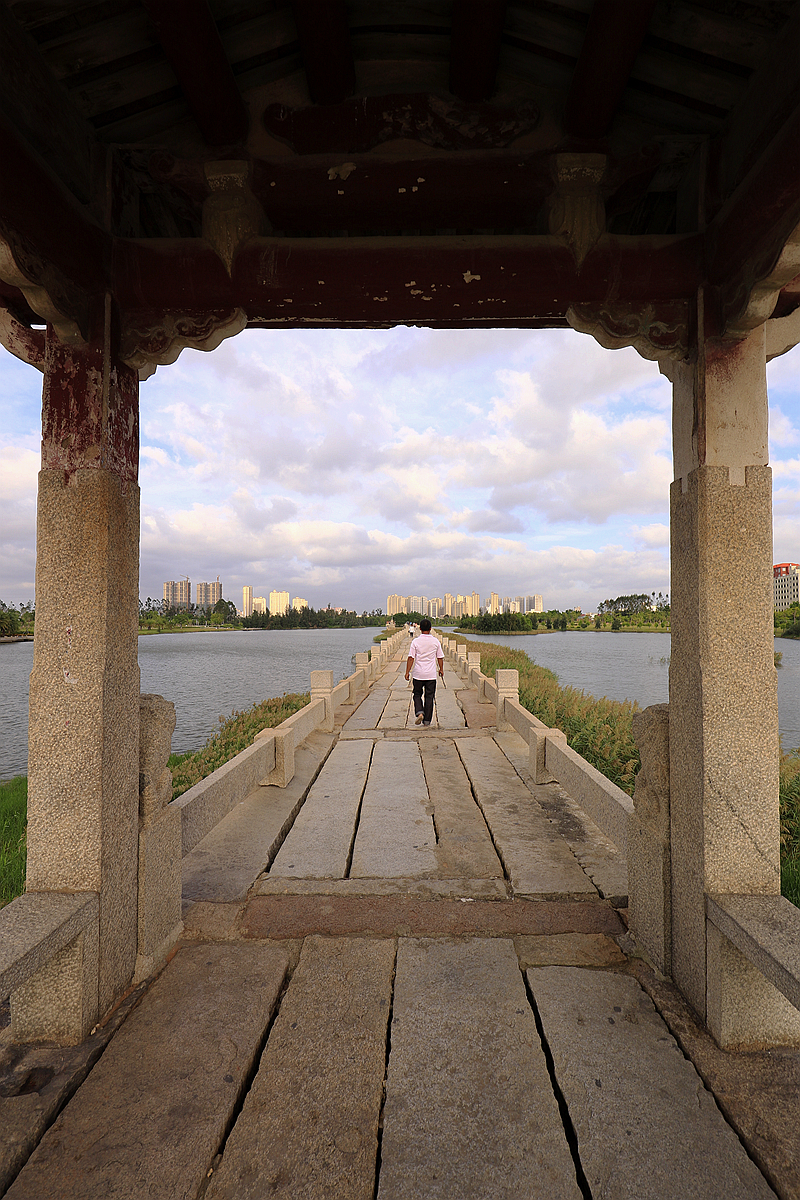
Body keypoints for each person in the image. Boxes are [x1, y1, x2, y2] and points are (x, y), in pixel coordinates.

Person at [405, 618, 444, 726]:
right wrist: (441, 669)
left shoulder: (416, 641)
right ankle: (427, 721)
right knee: (429, 697)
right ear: (430, 629)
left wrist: (407, 672)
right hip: (431, 675)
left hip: (418, 674)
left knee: (417, 694)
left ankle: (419, 712)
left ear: (420, 628)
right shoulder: (435, 641)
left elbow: (411, 657)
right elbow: (440, 657)